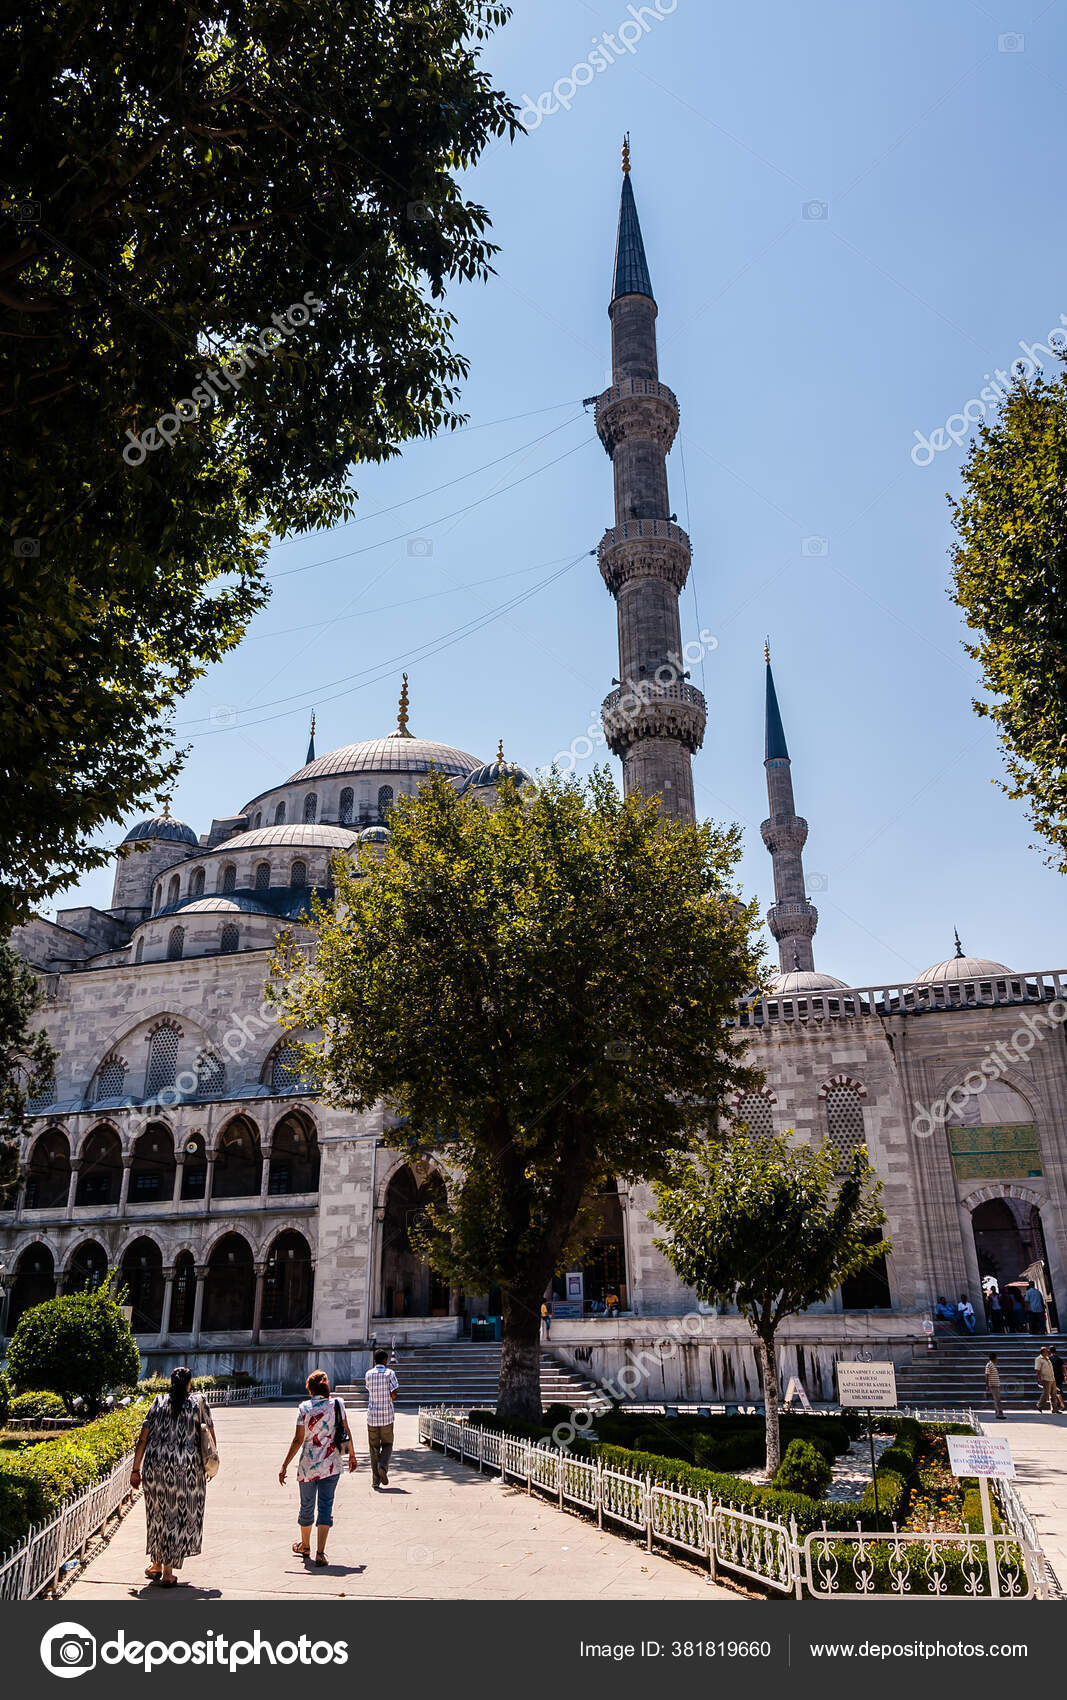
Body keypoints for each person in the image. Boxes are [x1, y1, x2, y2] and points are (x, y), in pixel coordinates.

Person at [130, 1366, 214, 1587]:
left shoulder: (158, 1402)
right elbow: (210, 1437)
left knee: (158, 1514)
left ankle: (157, 1564)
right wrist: (210, 1463)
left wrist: (135, 1469)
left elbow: (143, 1438)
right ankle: (167, 1572)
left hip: (155, 1469)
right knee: (177, 1516)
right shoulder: (198, 1404)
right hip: (187, 1471)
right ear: (188, 1384)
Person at [279, 1369, 357, 1564]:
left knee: (306, 1506)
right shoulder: (337, 1404)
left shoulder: (304, 1408)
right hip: (332, 1464)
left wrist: (284, 1464)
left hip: (308, 1466)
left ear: (310, 1389)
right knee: (325, 1506)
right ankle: (320, 1553)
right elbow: (346, 1430)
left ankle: (305, 1546)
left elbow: (298, 1440)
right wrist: (352, 1455)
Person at [365, 1347, 399, 1489]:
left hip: (372, 1417)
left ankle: (375, 1481)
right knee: (388, 1444)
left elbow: (369, 1389)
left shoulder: (368, 1374)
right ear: (385, 1360)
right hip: (386, 1417)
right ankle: (383, 1466)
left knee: (373, 1448)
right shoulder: (389, 1373)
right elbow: (394, 1392)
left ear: (374, 1360)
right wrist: (390, 1399)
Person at [1035, 1346, 1061, 1413]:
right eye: (1046, 1351)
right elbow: (1037, 1370)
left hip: (1052, 1378)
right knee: (1046, 1393)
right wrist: (1039, 1378)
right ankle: (1039, 1406)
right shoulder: (1038, 1359)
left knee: (1054, 1394)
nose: (1048, 1352)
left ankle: (1055, 1409)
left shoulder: (1047, 1358)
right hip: (1045, 1379)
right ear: (1043, 1352)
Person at [984, 1351, 1005, 1420]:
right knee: (997, 1400)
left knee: (998, 1399)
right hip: (993, 1385)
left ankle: (1000, 1413)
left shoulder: (993, 1365)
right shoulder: (989, 1365)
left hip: (996, 1385)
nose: (997, 1359)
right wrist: (987, 1385)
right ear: (994, 1358)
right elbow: (986, 1375)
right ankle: (998, 1414)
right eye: (996, 1358)